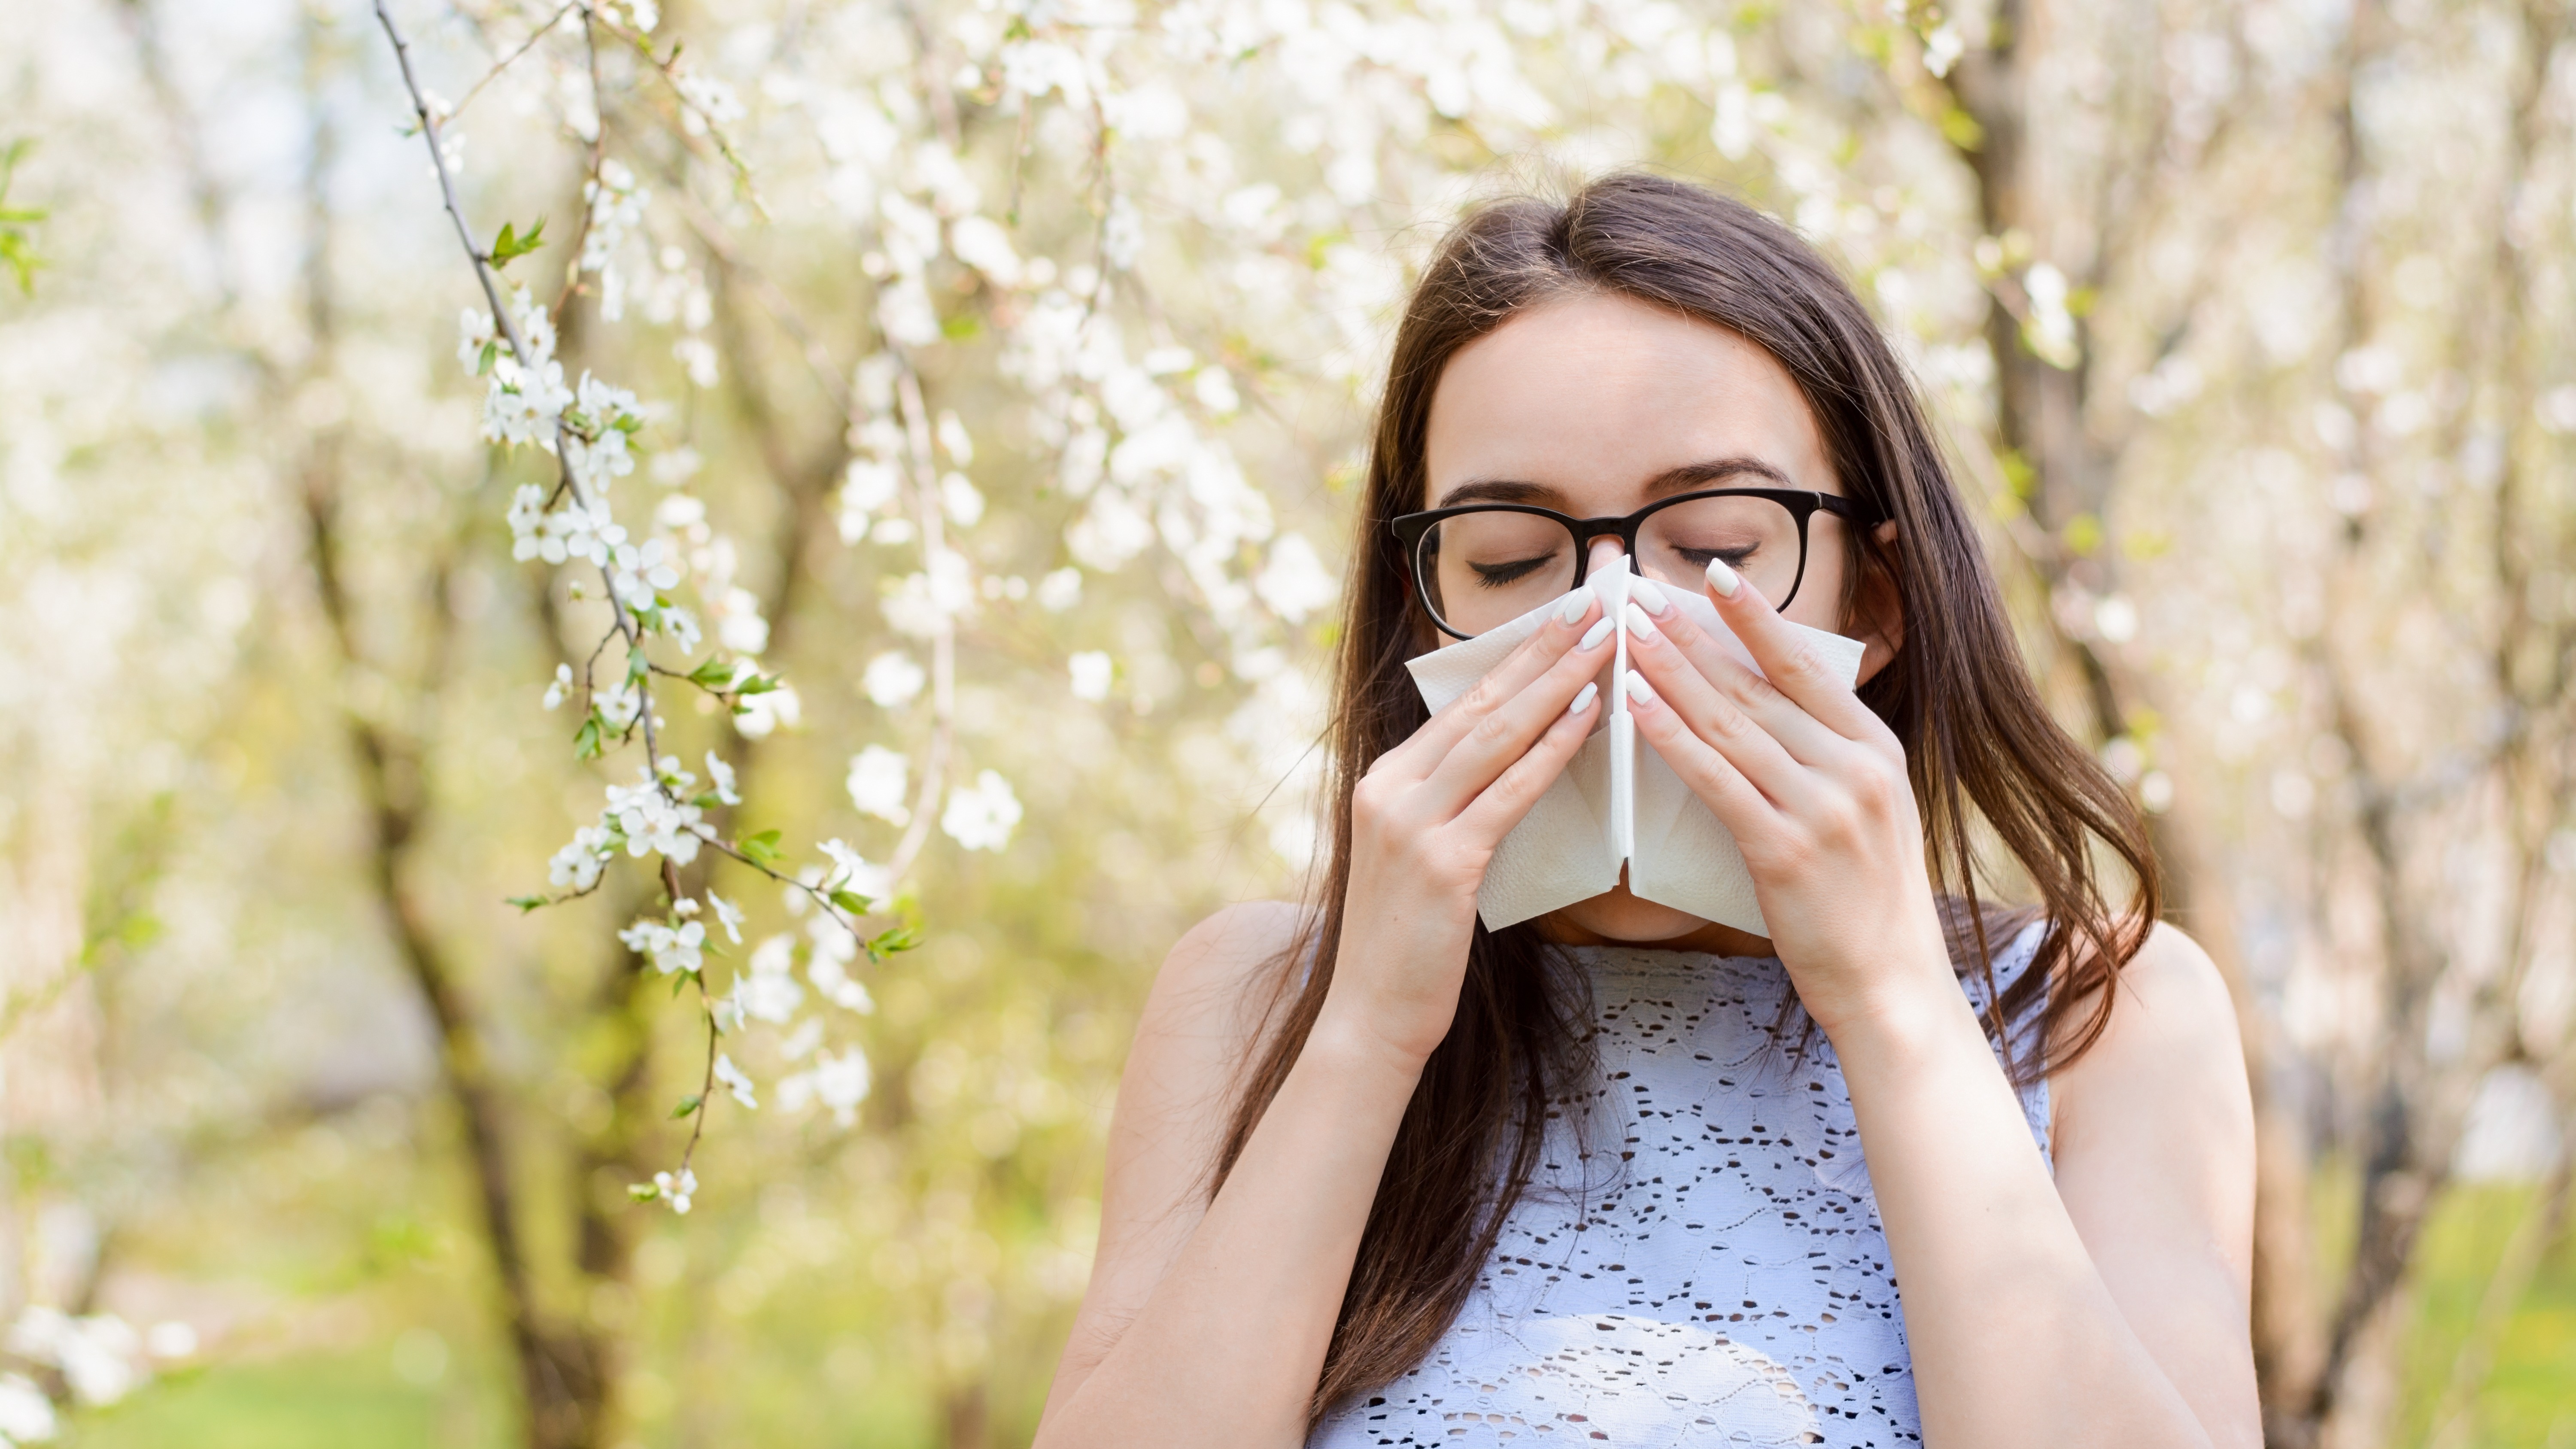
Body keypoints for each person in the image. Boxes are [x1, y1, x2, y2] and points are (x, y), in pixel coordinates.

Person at [1034, 173, 2258, 1449]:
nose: (1615, 626)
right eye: (1511, 558)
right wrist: (1370, 1031)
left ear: (1878, 600)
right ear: (1423, 610)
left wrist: (1895, 1004)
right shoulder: (1258, 1001)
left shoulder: (2105, 1017)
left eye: (1721, 541)